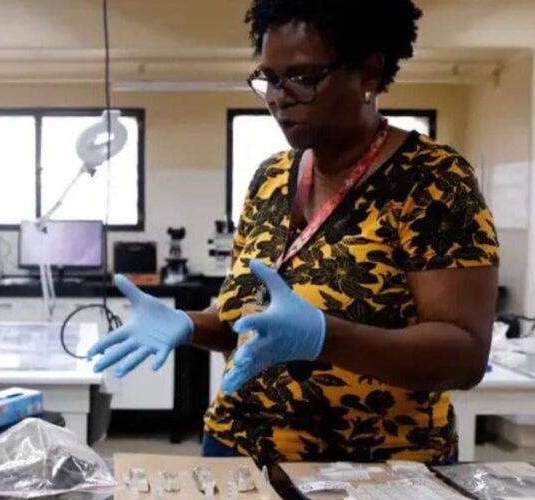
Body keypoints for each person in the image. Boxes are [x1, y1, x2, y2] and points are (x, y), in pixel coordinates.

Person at [88, 0, 499, 464]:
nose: (278, 98)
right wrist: (189, 323)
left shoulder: (431, 180)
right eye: (270, 78)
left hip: (374, 472)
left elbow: (464, 356)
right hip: (235, 446)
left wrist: (325, 336)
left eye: (302, 78)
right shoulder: (270, 178)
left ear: (368, 72)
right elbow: (247, 321)